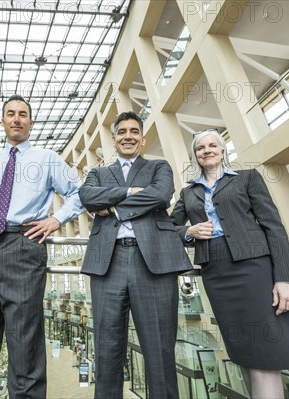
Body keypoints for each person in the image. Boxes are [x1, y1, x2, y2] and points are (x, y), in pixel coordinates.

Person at [0, 94, 84, 399]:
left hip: (25, 245)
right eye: (11, 113)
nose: (16, 118)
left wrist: (56, 220)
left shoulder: (47, 158)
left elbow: (80, 192)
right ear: (3, 121)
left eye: (23, 114)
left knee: (24, 341)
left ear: (31, 122)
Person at [171, 129, 289, 398]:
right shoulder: (188, 192)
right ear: (195, 155)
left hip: (255, 270)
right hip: (216, 273)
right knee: (243, 352)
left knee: (266, 351)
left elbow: (274, 227)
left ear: (223, 151)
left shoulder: (247, 178)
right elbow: (167, 228)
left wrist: (284, 278)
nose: (207, 150)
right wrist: (189, 232)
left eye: (213, 145)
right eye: (201, 148)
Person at [79, 111, 193, 399]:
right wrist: (130, 191)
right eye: (122, 132)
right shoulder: (97, 173)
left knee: (159, 348)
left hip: (153, 262)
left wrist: (115, 208)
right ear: (115, 139)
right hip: (108, 262)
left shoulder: (159, 167)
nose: (128, 136)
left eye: (134, 132)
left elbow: (161, 194)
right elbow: (88, 197)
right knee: (106, 348)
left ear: (142, 140)